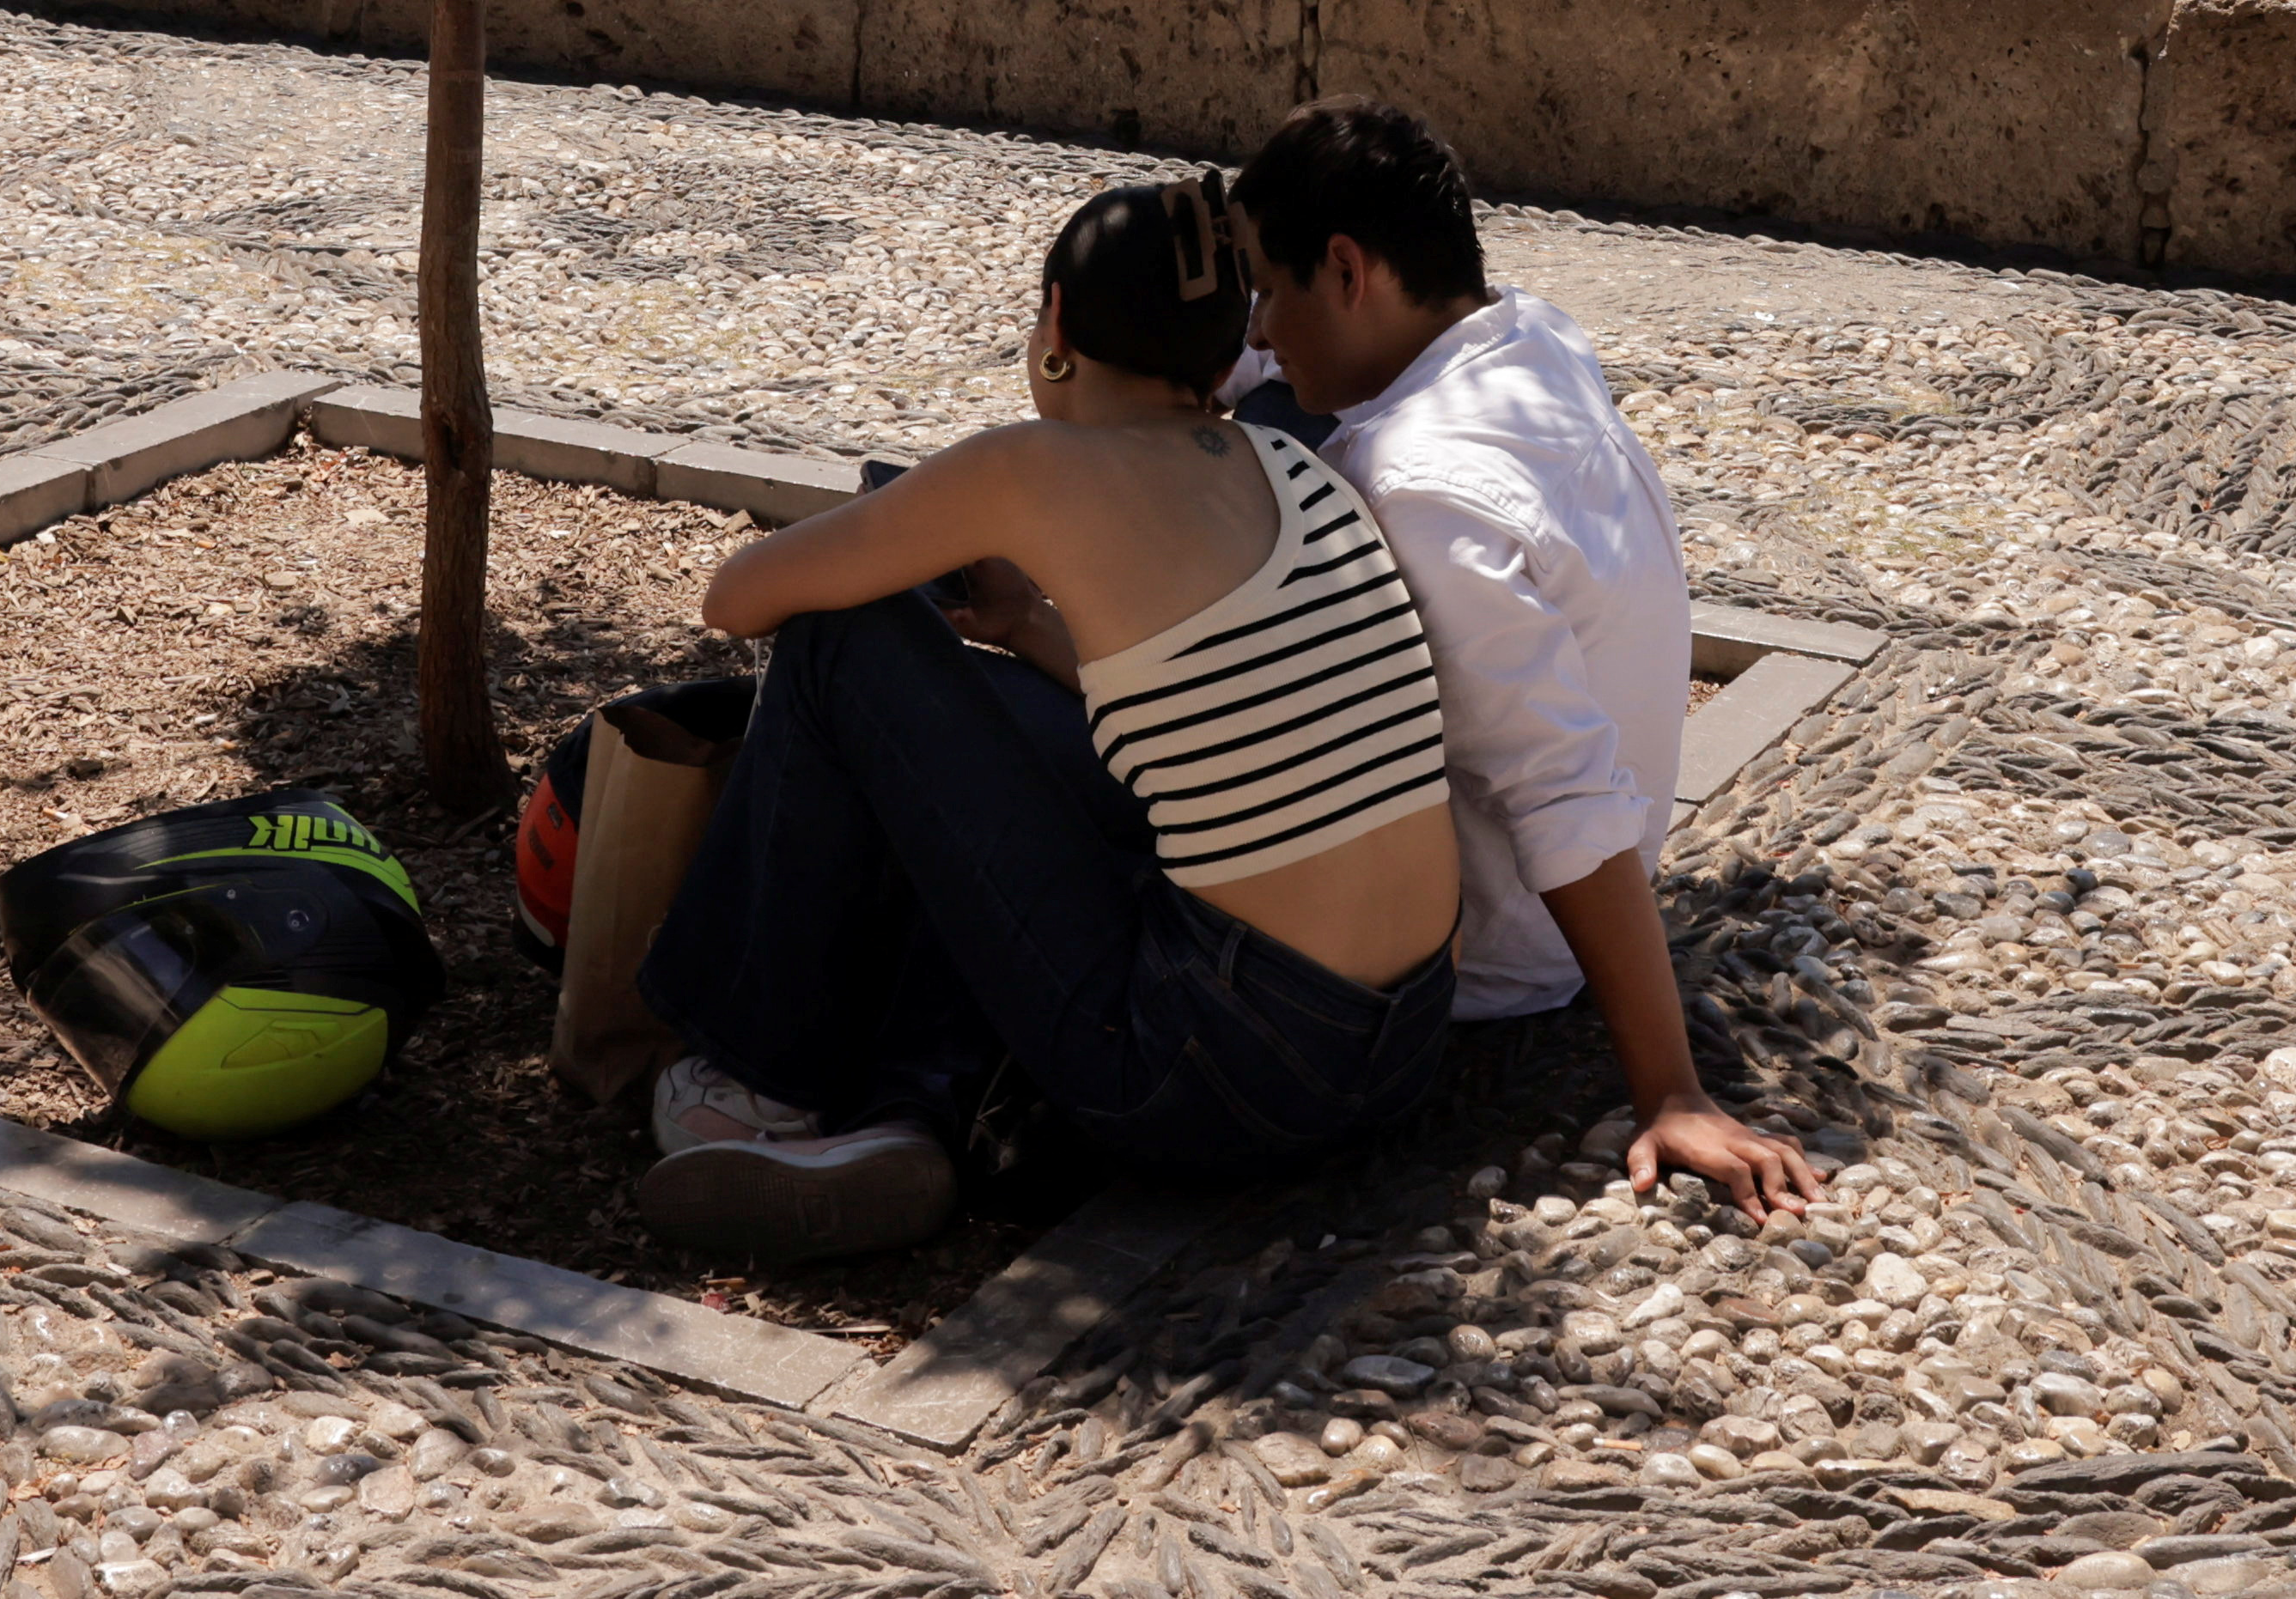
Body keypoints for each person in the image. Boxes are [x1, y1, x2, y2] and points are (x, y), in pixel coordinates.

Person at [630, 173, 1466, 1258]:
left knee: (843, 638)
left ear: (1057, 326)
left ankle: (754, 1080)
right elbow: (1202, 716)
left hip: (1202, 1069)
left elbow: (737, 596)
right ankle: (911, 1107)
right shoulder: (1293, 465)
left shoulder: (1028, 466)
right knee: (1017, 733)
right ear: (1225, 356)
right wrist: (1024, 622)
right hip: (1399, 1045)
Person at [1234, 99, 1820, 1219]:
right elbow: (1263, 381)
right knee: (1260, 413)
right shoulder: (1532, 338)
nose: (1258, 325)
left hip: (1490, 951)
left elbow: (1560, 787)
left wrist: (1672, 1088)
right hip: (1530, 887)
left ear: (1347, 268)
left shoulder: (1415, 493)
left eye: (1268, 287)